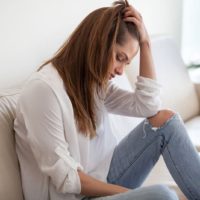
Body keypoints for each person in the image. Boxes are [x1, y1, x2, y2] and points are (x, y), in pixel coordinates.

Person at [14, 0, 200, 200]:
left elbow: (149, 107)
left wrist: (145, 43)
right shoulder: (43, 91)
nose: (121, 71)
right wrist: (134, 195)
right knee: (163, 196)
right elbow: (68, 179)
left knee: (167, 122)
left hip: (105, 177)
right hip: (74, 195)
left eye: (126, 62)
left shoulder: (94, 84)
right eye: (119, 57)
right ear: (99, 44)